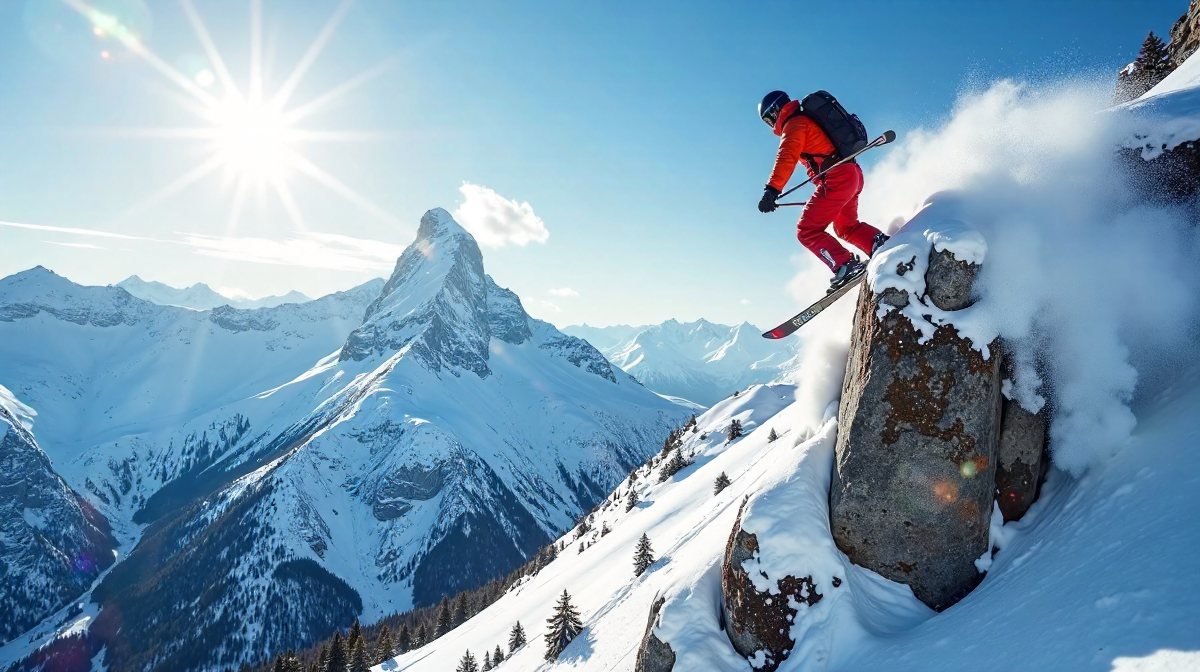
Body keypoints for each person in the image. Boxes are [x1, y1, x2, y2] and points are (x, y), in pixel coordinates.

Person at [756, 90, 888, 291]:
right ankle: (877, 243)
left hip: (837, 179)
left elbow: (786, 156)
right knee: (846, 227)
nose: (771, 125)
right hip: (852, 174)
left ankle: (846, 266)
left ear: (775, 111)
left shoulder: (794, 123)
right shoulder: (805, 119)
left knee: (806, 230)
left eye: (768, 119)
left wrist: (772, 190)